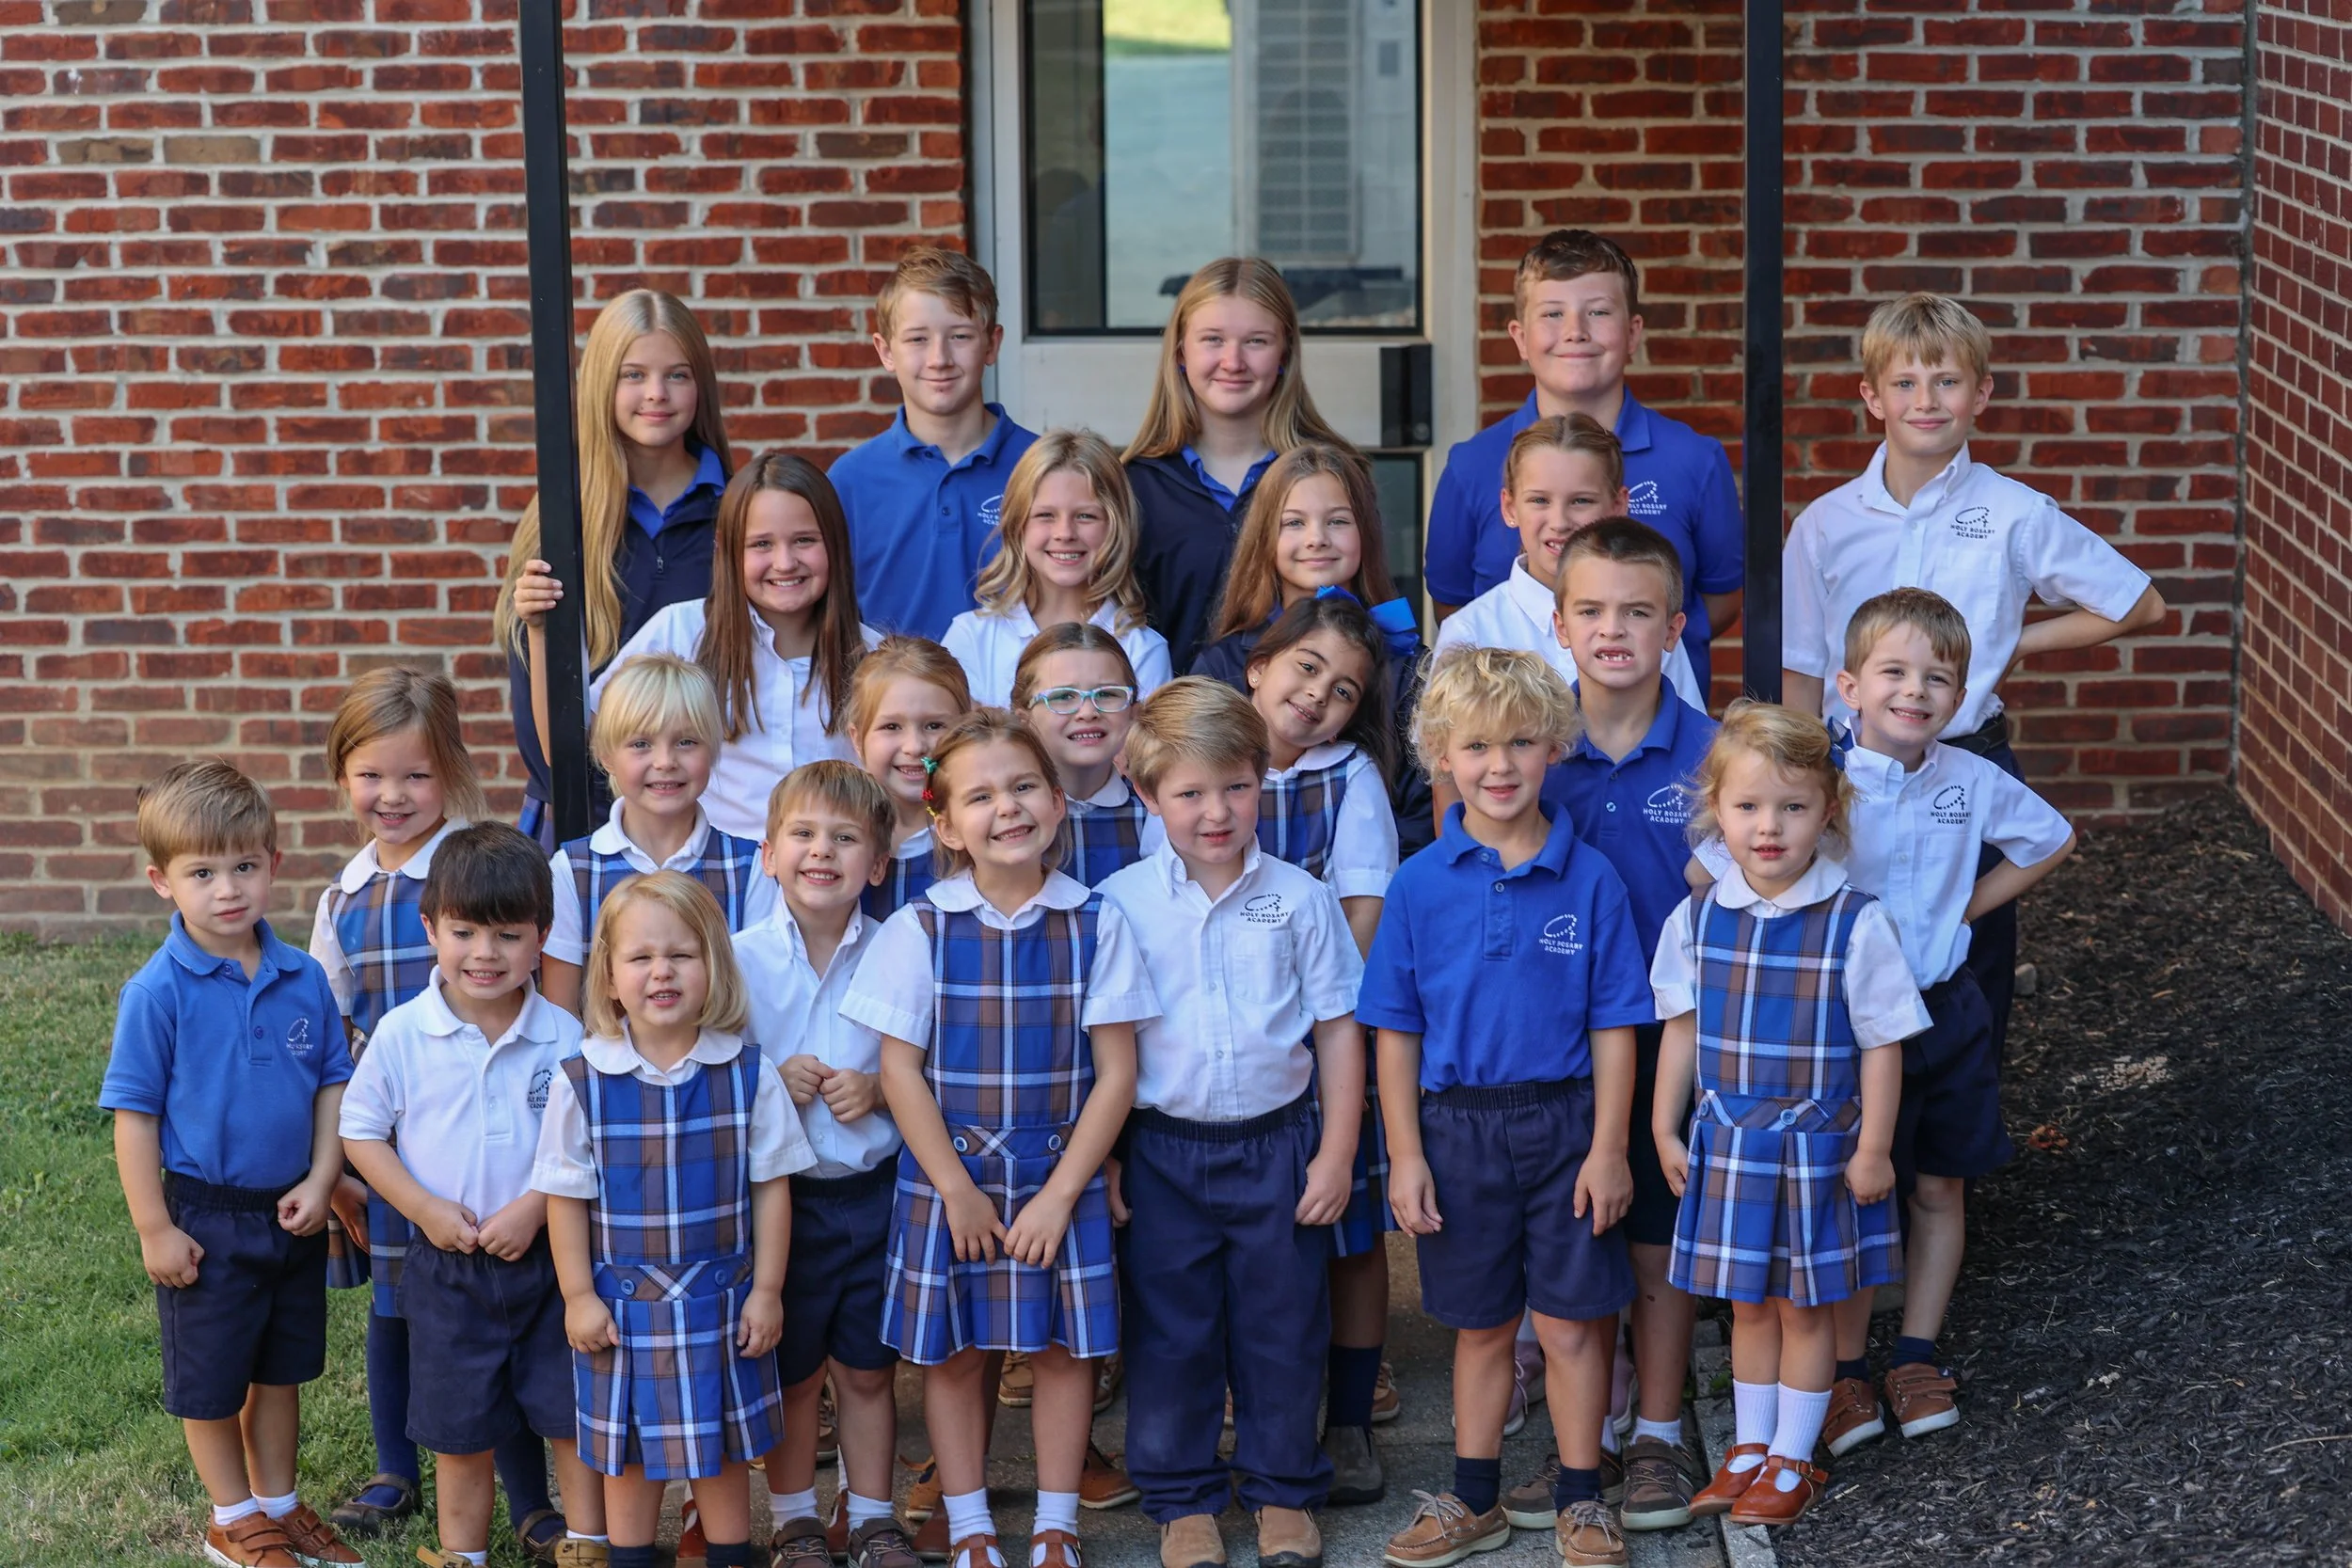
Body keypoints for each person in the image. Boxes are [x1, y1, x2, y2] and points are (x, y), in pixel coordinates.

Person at [1781, 291, 2165, 1063]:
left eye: (1947, 381)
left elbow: (2140, 603)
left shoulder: (2014, 512)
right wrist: (1800, 770)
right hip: (1851, 770)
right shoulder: (1826, 524)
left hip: (1965, 763)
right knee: (1840, 953)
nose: (1926, 401)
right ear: (1873, 397)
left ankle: (1963, 1123)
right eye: (1905, 382)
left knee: (1970, 972)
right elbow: (1801, 665)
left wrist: (2012, 643)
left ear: (1980, 394)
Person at [843, 710, 1156, 1568]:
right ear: (944, 824)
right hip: (952, 1179)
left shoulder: (1096, 921)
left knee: (1061, 1351)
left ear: (1057, 801)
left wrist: (1061, 1196)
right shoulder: (920, 927)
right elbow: (899, 1072)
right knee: (953, 1353)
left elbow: (1117, 1075)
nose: (1007, 807)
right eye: (979, 796)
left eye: (1023, 787)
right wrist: (955, 1187)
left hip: (1060, 1173)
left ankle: (1057, 1524)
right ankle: (970, 1523)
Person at [1363, 648, 1651, 1568]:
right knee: (1482, 1323)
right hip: (1456, 1130)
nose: (1499, 764)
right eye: (1476, 745)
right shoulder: (1418, 883)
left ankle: (1582, 1495)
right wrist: (1406, 1153)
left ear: (1555, 748)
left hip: (1566, 1123)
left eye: (1521, 742)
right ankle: (1474, 1496)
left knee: (1569, 1324)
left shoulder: (1590, 878)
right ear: (1440, 755)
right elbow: (1395, 1030)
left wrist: (1610, 1148)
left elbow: (1615, 1023)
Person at [1095, 679, 1363, 1568]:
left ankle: (1284, 1488)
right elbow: (1106, 1047)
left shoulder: (1300, 897)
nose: (1216, 812)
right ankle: (1182, 1497)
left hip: (1278, 1144)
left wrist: (1336, 1150)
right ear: (1147, 794)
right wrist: (1109, 1158)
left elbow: (1337, 1027)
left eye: (1236, 787)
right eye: (1190, 792)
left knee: (1283, 1323)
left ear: (1262, 780)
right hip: (1163, 1149)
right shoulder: (1120, 904)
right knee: (1171, 1329)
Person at [1651, 704, 1925, 1529]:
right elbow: (1682, 1030)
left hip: (1815, 1150)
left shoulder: (1854, 920)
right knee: (1747, 1304)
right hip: (1730, 1144)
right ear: (1717, 810)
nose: (1768, 826)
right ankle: (1749, 1447)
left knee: (1804, 1307)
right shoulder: (1697, 917)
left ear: (1827, 811)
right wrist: (1665, 1127)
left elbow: (1882, 1043)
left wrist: (1874, 1146)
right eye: (1748, 806)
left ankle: (1794, 1455)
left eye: (1793, 806)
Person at [310, 670, 565, 1556]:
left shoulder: (481, 870)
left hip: (486, 1131)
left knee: (511, 1323)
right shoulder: (341, 898)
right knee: (399, 1307)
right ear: (342, 776)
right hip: (397, 1142)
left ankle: (529, 1495)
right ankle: (396, 1467)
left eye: (415, 775)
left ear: (450, 770)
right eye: (371, 775)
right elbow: (332, 1035)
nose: (393, 795)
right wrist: (336, 1166)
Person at [1501, 519, 1721, 1537]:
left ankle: (1660, 1433)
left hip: (1677, 1039)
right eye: (1590, 609)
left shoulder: (1716, 754)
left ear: (1674, 627)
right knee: (1572, 1242)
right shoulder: (1534, 751)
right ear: (1558, 623)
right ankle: (1580, 1437)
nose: (1613, 628)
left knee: (1655, 1239)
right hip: (1559, 1042)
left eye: (1638, 611)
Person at [1819, 590, 2075, 1454]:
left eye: (1937, 679)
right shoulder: (1821, 779)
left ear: (1960, 698)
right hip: (1849, 1027)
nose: (1915, 691)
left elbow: (2052, 839)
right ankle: (1845, 1370)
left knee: (1939, 1185)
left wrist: (1963, 909)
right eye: (1893, 671)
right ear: (1849, 685)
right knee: (1858, 1189)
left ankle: (1916, 1355)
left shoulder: (1970, 778)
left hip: (1945, 1008)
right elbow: (1723, 861)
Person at [101, 760, 362, 1568]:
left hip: (289, 1210)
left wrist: (323, 1179)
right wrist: (155, 1227)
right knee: (213, 1380)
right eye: (203, 872)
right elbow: (135, 1119)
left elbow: (331, 1084)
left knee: (280, 1370)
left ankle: (278, 1504)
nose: (228, 889)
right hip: (204, 1219)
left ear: (274, 863)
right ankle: (231, 1517)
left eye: (245, 865)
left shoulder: (303, 977)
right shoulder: (158, 992)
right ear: (162, 881)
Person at [337, 823, 610, 1568]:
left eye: (507, 935)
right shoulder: (403, 1034)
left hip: (551, 1264)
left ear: (542, 938)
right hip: (446, 1270)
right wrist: (424, 1208)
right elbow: (361, 1133)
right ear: (431, 928)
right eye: (464, 932)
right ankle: (465, 1553)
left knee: (570, 1417)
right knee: (459, 1434)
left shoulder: (564, 1037)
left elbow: (587, 1145)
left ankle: (588, 1545)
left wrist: (534, 1208)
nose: (485, 953)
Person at [532, 872, 818, 1568]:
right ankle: (630, 1556)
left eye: (682, 955)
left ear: (713, 966)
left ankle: (729, 1553)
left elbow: (771, 1190)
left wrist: (767, 1290)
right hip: (623, 1311)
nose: (661, 971)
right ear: (609, 976)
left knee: (720, 1452)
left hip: (722, 1303)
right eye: (641, 957)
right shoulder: (582, 1080)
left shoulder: (748, 1073)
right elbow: (565, 1198)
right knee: (629, 1457)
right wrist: (578, 1295)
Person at [732, 763, 923, 1568]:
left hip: (874, 1194)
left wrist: (880, 1090)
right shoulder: (736, 959)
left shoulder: (899, 949)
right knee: (795, 1372)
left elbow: (923, 1063)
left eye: (845, 838)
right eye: (803, 835)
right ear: (769, 853)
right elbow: (711, 1074)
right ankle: (796, 1520)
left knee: (869, 1369)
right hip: (783, 1203)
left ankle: (873, 1517)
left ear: (877, 863)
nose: (821, 851)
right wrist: (769, 1084)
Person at [1236, 594, 1404, 1506]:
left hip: (1320, 1028)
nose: (1317, 696)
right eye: (1306, 668)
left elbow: (1362, 912)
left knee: (1349, 1231)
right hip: (1223, 1037)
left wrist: (1304, 1009)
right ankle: (1257, 1406)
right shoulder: (1205, 753)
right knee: (1251, 1231)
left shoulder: (1349, 778)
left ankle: (1348, 1413)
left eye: (1343, 690)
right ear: (1259, 664)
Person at [1424, 230, 1744, 677]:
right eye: (1553, 314)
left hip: (1655, 704)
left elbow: (1723, 597)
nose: (1575, 332)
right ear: (1520, 337)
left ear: (1633, 332)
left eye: (1598, 312)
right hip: (1514, 713)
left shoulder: (1696, 460)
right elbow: (1452, 601)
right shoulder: (1471, 465)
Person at [522, 451, 881, 842]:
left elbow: (914, 776)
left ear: (836, 543)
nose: (784, 562)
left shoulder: (872, 657)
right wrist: (540, 634)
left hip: (828, 872)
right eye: (761, 544)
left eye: (804, 541)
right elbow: (570, 744)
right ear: (726, 548)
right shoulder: (681, 631)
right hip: (708, 872)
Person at [495, 290, 732, 847]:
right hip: (583, 823)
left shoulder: (739, 514)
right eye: (634, 375)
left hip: (709, 823)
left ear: (700, 385)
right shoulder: (560, 521)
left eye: (677, 374)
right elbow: (546, 746)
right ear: (603, 383)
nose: (656, 393)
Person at [1189, 440, 1434, 855]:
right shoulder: (1223, 665)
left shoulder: (1412, 671)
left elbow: (1422, 816)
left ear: (1366, 532)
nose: (1317, 539)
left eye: (1337, 521)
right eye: (1294, 523)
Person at [1122, 258, 1347, 673]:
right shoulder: (1133, 486)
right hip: (1171, 712)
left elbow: (1369, 612)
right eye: (1213, 340)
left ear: (1285, 352)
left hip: (1308, 710)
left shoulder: (1332, 477)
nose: (1233, 361)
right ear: (1180, 352)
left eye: (1256, 341)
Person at [542, 654, 776, 1014]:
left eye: (686, 742)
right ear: (606, 755)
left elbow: (758, 1004)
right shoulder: (573, 871)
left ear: (713, 750)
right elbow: (563, 1017)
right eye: (641, 744)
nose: (665, 761)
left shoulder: (749, 867)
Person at [829, 245, 1040, 640]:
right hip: (889, 681)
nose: (939, 358)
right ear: (886, 351)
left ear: (992, 344)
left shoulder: (1042, 469)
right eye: (917, 339)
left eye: (960, 336)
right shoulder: (850, 481)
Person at [1431, 416, 1708, 709]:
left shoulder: (1647, 620)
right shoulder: (1470, 631)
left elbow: (1688, 728)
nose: (1560, 522)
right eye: (1539, 500)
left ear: (1617, 506)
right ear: (1510, 507)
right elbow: (1440, 737)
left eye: (1581, 501)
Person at [943, 429, 1171, 707]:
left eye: (1085, 516)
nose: (1064, 533)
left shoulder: (1143, 649)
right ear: (1017, 525)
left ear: (1116, 526)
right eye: (1045, 515)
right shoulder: (971, 638)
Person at [844, 636, 975, 921]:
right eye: (892, 727)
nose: (914, 747)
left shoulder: (979, 836)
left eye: (934, 725)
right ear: (857, 739)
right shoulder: (835, 840)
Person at [1013, 624, 1153, 889]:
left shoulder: (1158, 814)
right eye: (1063, 696)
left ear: (1133, 713)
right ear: (1024, 719)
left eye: (1107, 694)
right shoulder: (1009, 817)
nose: (1088, 712)